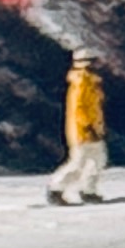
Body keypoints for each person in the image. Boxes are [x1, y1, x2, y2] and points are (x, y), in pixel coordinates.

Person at [48, 49, 111, 205]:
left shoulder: (89, 81)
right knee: (79, 162)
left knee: (97, 160)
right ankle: (56, 188)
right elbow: (79, 107)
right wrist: (88, 126)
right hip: (83, 130)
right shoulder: (82, 81)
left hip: (91, 129)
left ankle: (88, 190)